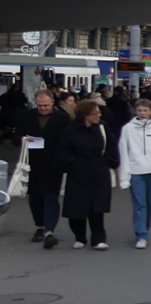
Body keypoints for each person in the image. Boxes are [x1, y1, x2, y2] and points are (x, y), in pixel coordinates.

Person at [57, 100, 119, 250]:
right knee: (76, 209)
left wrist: (109, 161)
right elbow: (62, 150)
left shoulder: (103, 127)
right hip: (78, 173)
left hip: (99, 172)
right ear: (85, 115)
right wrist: (71, 164)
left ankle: (98, 239)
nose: (99, 115)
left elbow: (111, 145)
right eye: (95, 113)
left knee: (97, 208)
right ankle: (80, 236)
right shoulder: (71, 130)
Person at [14, 90, 70, 249]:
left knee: (51, 197)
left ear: (53, 102)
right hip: (32, 163)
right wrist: (26, 141)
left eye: (46, 105)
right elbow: (16, 138)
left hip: (54, 164)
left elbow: (66, 140)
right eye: (40, 105)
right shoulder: (25, 116)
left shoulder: (62, 118)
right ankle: (39, 226)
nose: (43, 108)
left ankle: (49, 230)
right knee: (36, 198)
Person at [116, 99, 151, 249]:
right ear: (135, 111)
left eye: (145, 110)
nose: (142, 113)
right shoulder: (128, 128)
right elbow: (123, 152)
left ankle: (145, 227)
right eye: (139, 110)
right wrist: (124, 178)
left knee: (150, 204)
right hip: (136, 172)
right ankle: (141, 234)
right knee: (139, 205)